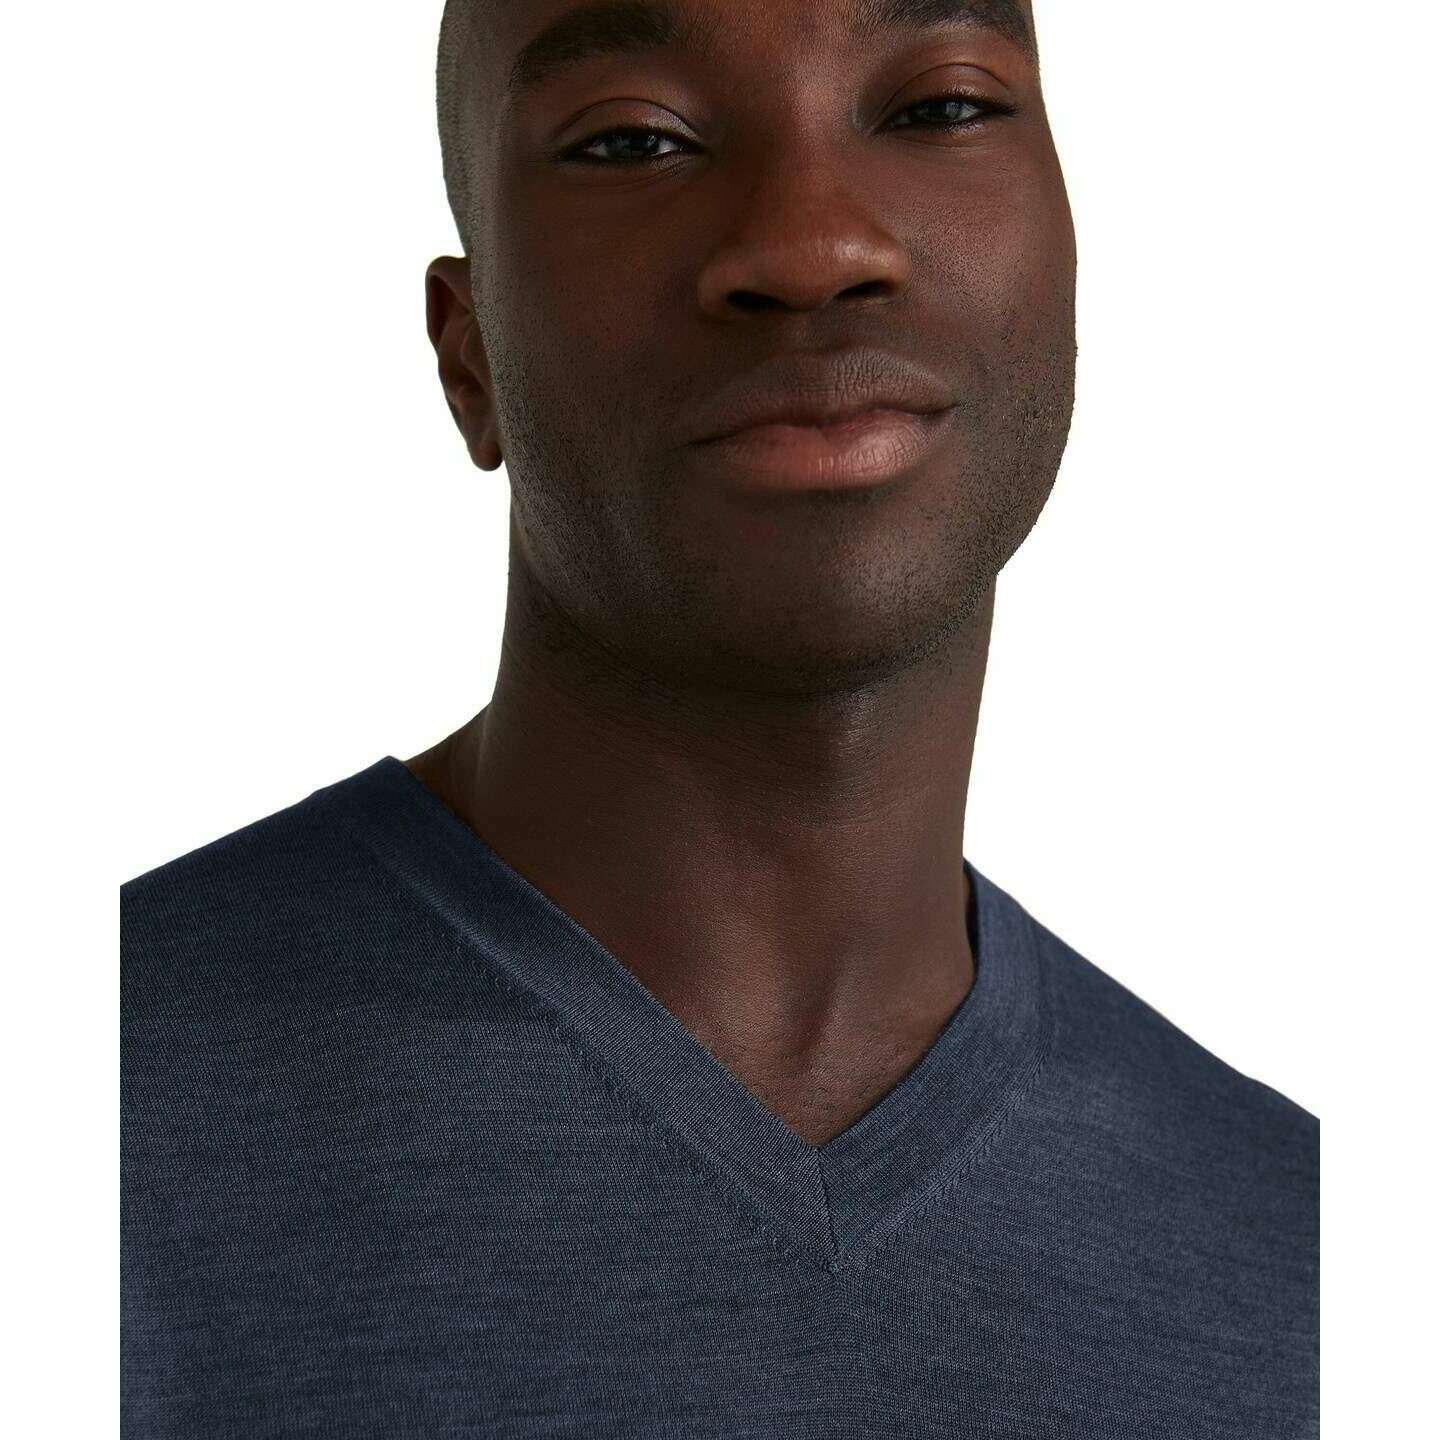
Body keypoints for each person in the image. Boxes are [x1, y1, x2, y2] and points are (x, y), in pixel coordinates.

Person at [121, 1, 1319, 1434]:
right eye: (635, 139)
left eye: (939, 105)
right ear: (468, 355)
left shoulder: (1318, 1276)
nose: (814, 246)